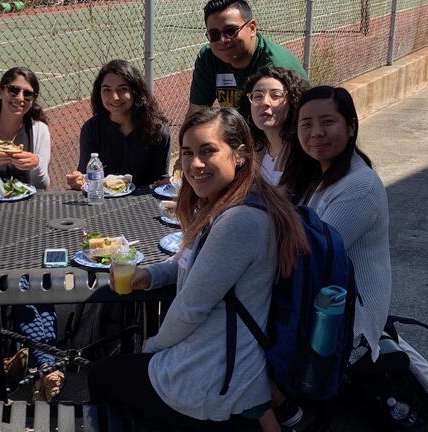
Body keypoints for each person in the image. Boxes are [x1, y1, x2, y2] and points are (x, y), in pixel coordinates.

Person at [88, 107, 309, 429]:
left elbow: (191, 308)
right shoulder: (236, 202)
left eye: (208, 151)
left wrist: (154, 347)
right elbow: (194, 262)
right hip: (225, 360)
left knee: (102, 377)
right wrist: (152, 274)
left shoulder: (240, 221)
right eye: (188, 153)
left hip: (212, 377)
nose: (195, 164)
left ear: (240, 155)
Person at [281, 85, 391, 360]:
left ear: (351, 127)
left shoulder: (358, 186)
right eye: (306, 124)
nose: (316, 132)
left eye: (328, 122)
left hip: (348, 327)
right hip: (322, 305)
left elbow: (308, 255)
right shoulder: (314, 174)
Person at [187, 0, 307, 115]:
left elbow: (282, 126)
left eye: (230, 31)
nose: (223, 40)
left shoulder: (275, 68)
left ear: (252, 28)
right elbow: (196, 114)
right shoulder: (209, 58)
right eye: (214, 34)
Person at [66, 59, 171, 190]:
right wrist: (78, 180)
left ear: (136, 91)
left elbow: (161, 178)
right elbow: (86, 176)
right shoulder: (91, 129)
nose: (115, 97)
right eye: (107, 90)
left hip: (145, 203)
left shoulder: (158, 129)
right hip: (105, 202)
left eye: (122, 89)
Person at [237, 66, 309, 185]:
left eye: (276, 95)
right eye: (258, 96)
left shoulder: (302, 151)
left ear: (292, 102)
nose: (265, 102)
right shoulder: (255, 150)